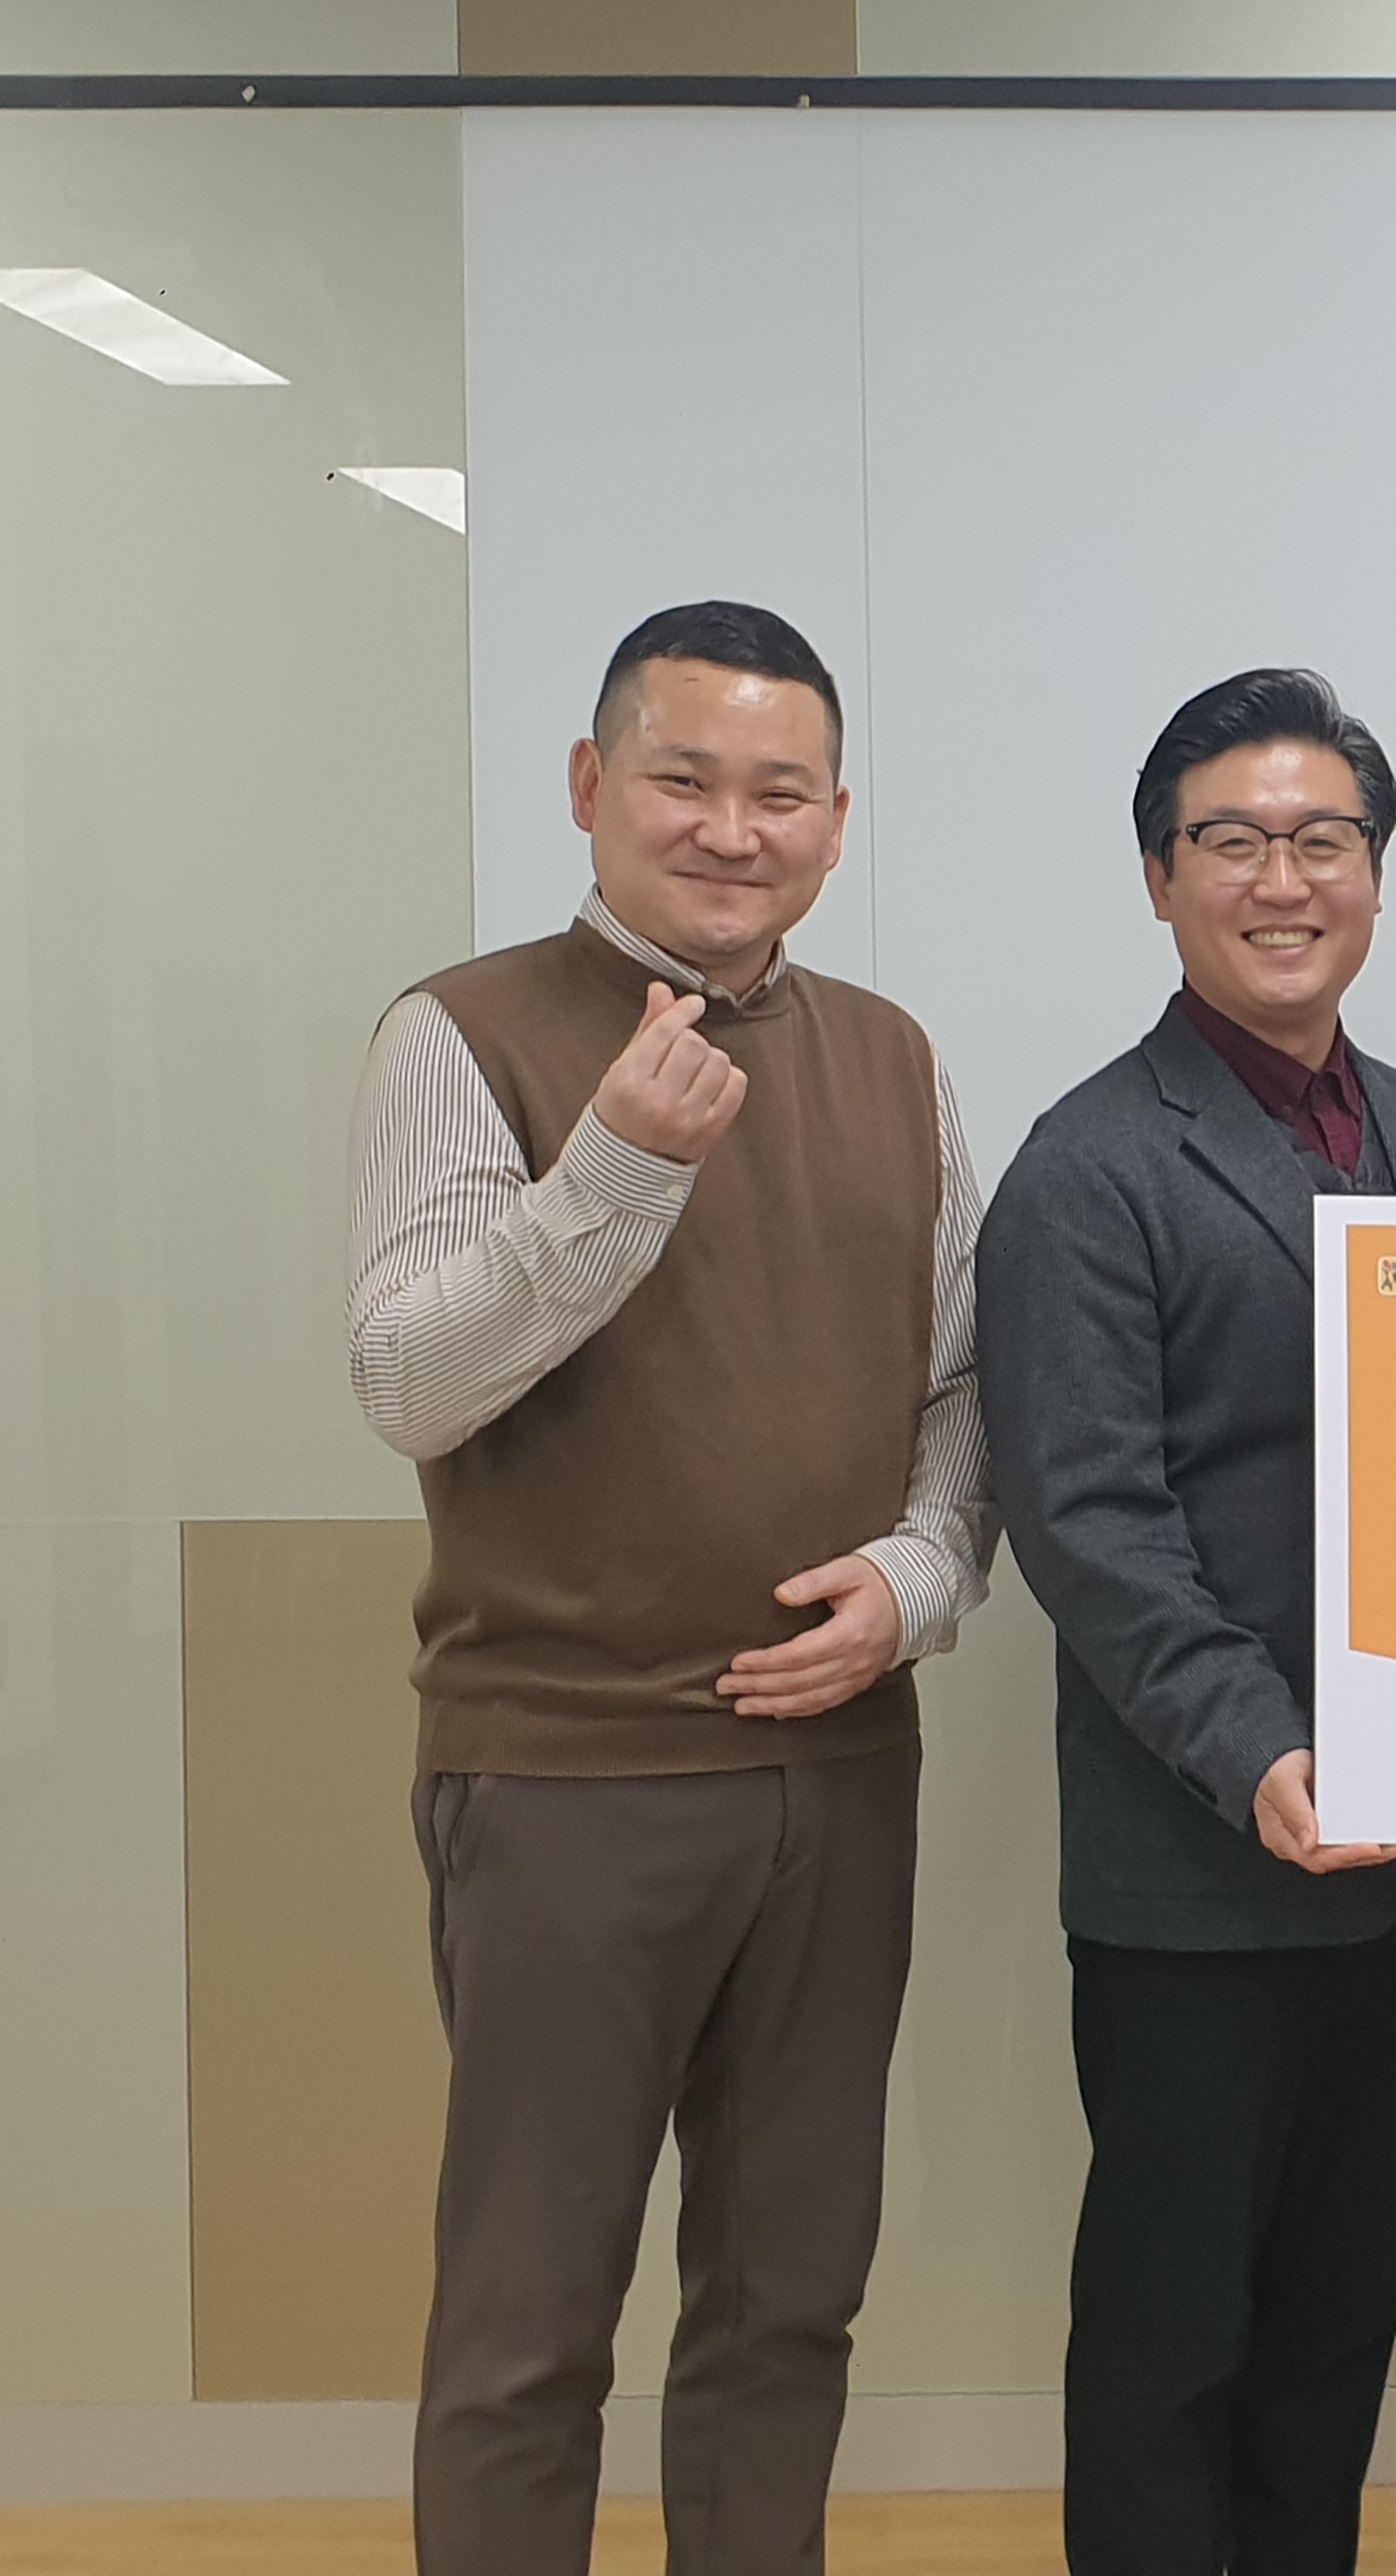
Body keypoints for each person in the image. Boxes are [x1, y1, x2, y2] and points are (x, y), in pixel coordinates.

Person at [346, 600, 992, 2576]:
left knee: (789, 2307)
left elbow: (962, 1391)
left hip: (838, 1774)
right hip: (565, 1774)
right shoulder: (461, 1032)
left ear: (837, 821)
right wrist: (617, 1168)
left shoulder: (891, 1057)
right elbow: (410, 1383)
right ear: (589, 787)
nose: (731, 828)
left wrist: (918, 1579)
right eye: (683, 780)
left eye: (780, 793)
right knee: (528, 2328)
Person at [978, 668, 1396, 2576]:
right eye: (1233, 841)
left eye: (1323, 841)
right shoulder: (1089, 1164)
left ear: (1374, 872)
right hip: (1204, 1872)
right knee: (1171, 2348)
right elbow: (1090, 1520)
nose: (1283, 880)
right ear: (1160, 878)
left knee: (1332, 2336)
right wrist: (1260, 1748)